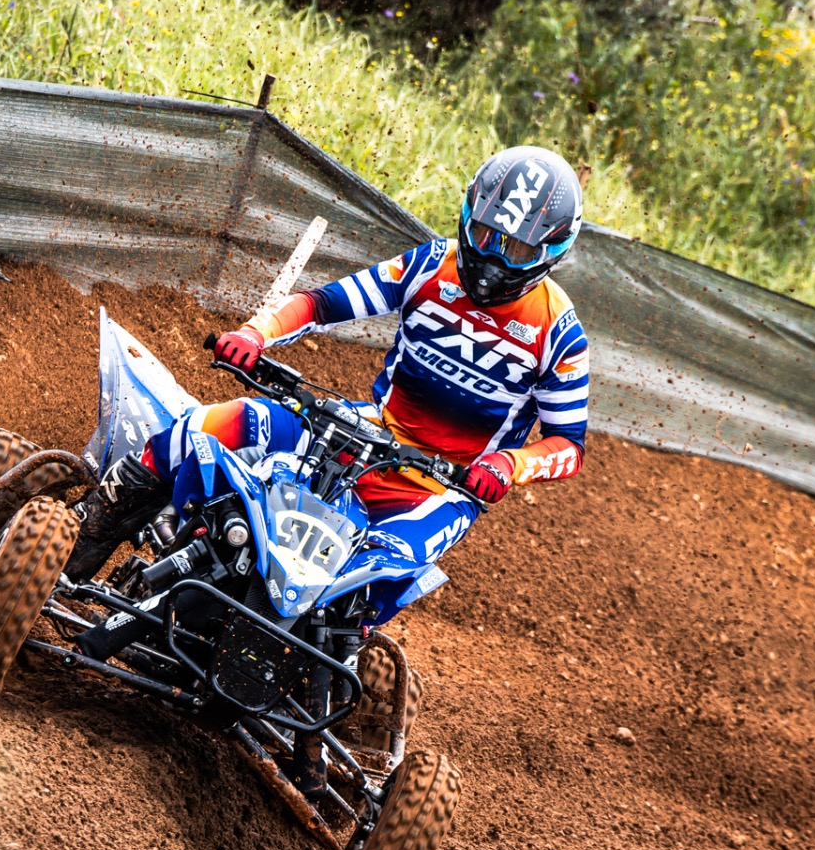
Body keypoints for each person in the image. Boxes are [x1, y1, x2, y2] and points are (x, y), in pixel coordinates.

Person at [67, 145, 592, 645]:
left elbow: (568, 444)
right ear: (467, 214)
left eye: (516, 248)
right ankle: (89, 528)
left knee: (374, 581)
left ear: (552, 251)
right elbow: (321, 304)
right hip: (368, 434)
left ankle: (323, 658)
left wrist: (509, 465)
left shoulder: (559, 332)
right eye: (484, 233)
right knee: (216, 425)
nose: (494, 256)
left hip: (445, 487)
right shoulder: (432, 265)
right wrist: (254, 335)